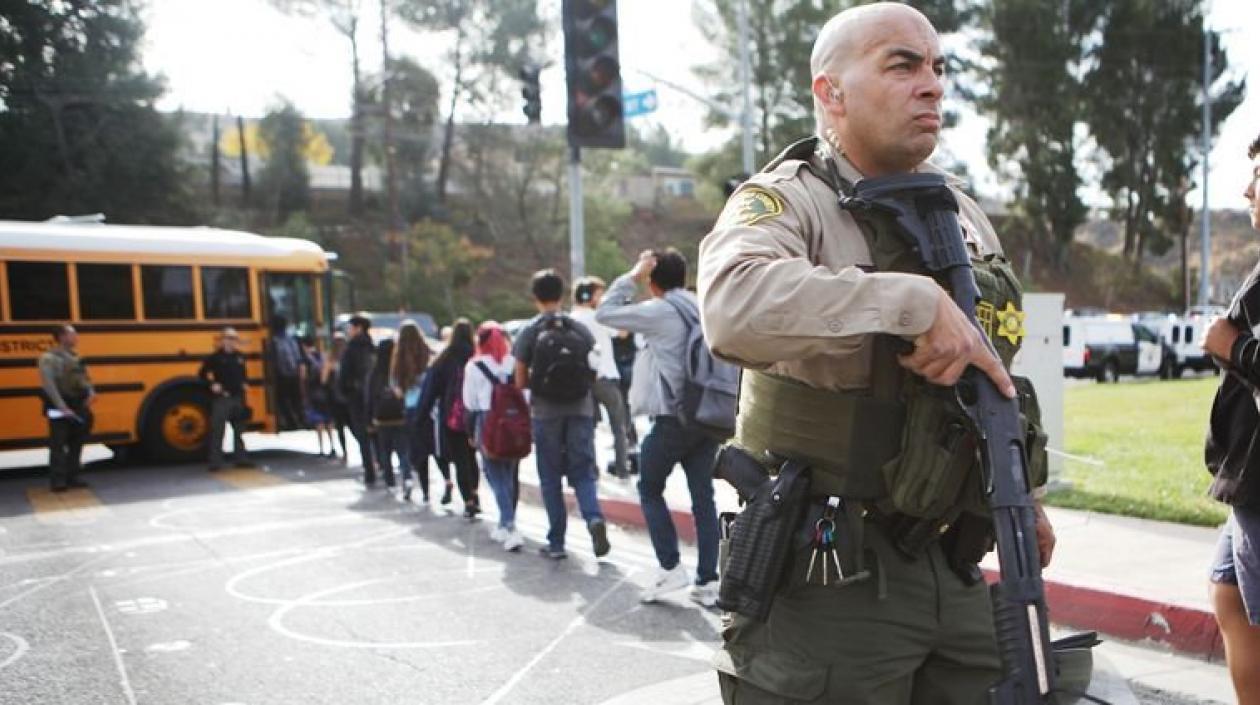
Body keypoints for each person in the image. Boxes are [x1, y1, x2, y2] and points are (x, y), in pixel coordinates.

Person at [698, 4, 1055, 702]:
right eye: (902, 65)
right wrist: (910, 305)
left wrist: (1026, 494)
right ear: (830, 92)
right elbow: (732, 307)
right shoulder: (788, 201)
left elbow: (993, 369)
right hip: (829, 572)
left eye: (938, 68)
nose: (932, 86)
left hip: (953, 558)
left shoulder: (960, 210)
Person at [596, 248, 721, 606]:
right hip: (708, 415)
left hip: (674, 418)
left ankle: (670, 567)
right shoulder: (700, 305)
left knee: (649, 488)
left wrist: (632, 275)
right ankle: (708, 581)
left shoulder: (661, 310)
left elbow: (606, 312)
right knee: (703, 498)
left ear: (652, 282)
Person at [1203, 131, 1260, 704]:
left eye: (1259, 177)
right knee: (1229, 594)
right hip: (1251, 483)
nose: (1247, 189)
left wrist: (1232, 347)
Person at [512, 269, 610, 560]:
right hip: (580, 408)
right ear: (562, 295)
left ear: (535, 298)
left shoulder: (529, 331)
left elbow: (518, 381)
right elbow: (593, 370)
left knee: (550, 476)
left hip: (545, 412)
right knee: (582, 471)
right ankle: (593, 517)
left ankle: (557, 542)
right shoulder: (578, 329)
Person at [464, 322, 524, 551]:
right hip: (513, 420)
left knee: (493, 473)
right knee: (509, 472)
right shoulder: (512, 362)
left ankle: (509, 525)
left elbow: (469, 402)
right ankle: (504, 523)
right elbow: (524, 392)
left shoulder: (474, 366)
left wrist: (470, 432)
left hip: (487, 420)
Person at [418, 318, 481, 518]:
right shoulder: (476, 356)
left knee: (460, 458)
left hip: (451, 416)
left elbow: (430, 390)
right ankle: (474, 492)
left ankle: (468, 500)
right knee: (472, 457)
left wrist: (421, 416)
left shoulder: (444, 358)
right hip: (474, 414)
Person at [571, 276, 632, 478]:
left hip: (582, 380)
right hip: (606, 376)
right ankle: (622, 469)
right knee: (618, 426)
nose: (602, 298)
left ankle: (592, 470)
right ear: (587, 296)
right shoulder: (598, 316)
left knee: (588, 428)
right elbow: (622, 333)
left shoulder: (571, 318)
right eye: (599, 294)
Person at [38, 324, 95, 491]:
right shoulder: (49, 359)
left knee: (77, 443)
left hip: (78, 404)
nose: (76, 337)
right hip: (59, 407)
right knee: (58, 444)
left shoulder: (75, 357)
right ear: (62, 337)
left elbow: (85, 378)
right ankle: (58, 480)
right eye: (72, 334)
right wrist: (62, 407)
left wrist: (91, 392)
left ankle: (73, 476)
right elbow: (49, 385)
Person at [198, 326, 249, 472]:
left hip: (238, 397)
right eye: (228, 338)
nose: (231, 341)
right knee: (218, 431)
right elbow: (202, 374)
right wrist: (212, 384)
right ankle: (215, 461)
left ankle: (241, 458)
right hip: (222, 398)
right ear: (222, 340)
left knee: (239, 430)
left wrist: (244, 384)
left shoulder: (240, 357)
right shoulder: (214, 358)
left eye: (234, 339)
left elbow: (244, 375)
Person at [392, 321, 433, 501]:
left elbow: (395, 387)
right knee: (431, 446)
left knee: (410, 447)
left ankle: (412, 481)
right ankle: (445, 479)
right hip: (429, 407)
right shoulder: (427, 354)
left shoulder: (398, 358)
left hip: (410, 407)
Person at [339, 314, 377, 484]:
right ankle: (382, 465)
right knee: (376, 433)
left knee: (362, 435)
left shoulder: (351, 349)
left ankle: (369, 470)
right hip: (374, 396)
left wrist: (345, 392)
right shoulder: (373, 347)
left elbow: (344, 376)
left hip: (356, 396)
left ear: (358, 328)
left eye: (351, 327)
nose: (349, 331)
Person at [368, 338, 404, 490]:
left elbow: (369, 397)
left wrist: (368, 419)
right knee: (403, 448)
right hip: (400, 416)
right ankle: (406, 473)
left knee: (385, 449)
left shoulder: (375, 372)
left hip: (381, 418)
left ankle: (389, 479)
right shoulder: (398, 370)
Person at [299, 336, 335, 458]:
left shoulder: (304, 360)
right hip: (325, 392)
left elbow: (303, 377)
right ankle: (333, 446)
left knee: (318, 422)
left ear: (304, 346)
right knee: (329, 421)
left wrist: (303, 393)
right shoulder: (322, 356)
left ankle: (321, 448)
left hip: (313, 393)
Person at [269, 314, 304, 430]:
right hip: (293, 374)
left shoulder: (274, 340)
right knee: (295, 399)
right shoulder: (292, 339)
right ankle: (299, 420)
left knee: (283, 400)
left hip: (281, 375)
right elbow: (298, 357)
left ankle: (290, 421)